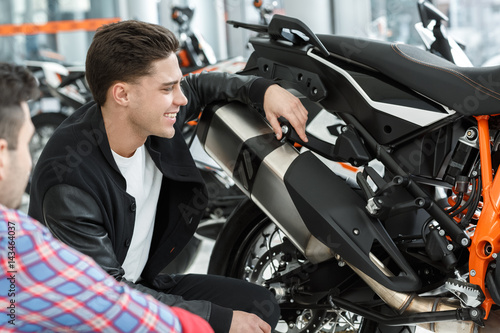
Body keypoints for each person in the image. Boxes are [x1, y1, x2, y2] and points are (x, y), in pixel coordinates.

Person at [29, 20, 309, 333]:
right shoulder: (70, 181)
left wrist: (263, 90)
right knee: (226, 322)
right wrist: (216, 320)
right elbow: (106, 296)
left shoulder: (143, 118)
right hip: (96, 315)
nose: (181, 99)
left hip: (142, 285)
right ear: (122, 94)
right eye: (167, 89)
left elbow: (200, 87)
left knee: (260, 309)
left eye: (176, 85)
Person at [0, 62, 213, 332]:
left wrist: (259, 90)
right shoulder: (19, 242)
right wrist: (202, 324)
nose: (29, 164)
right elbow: (108, 303)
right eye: (27, 145)